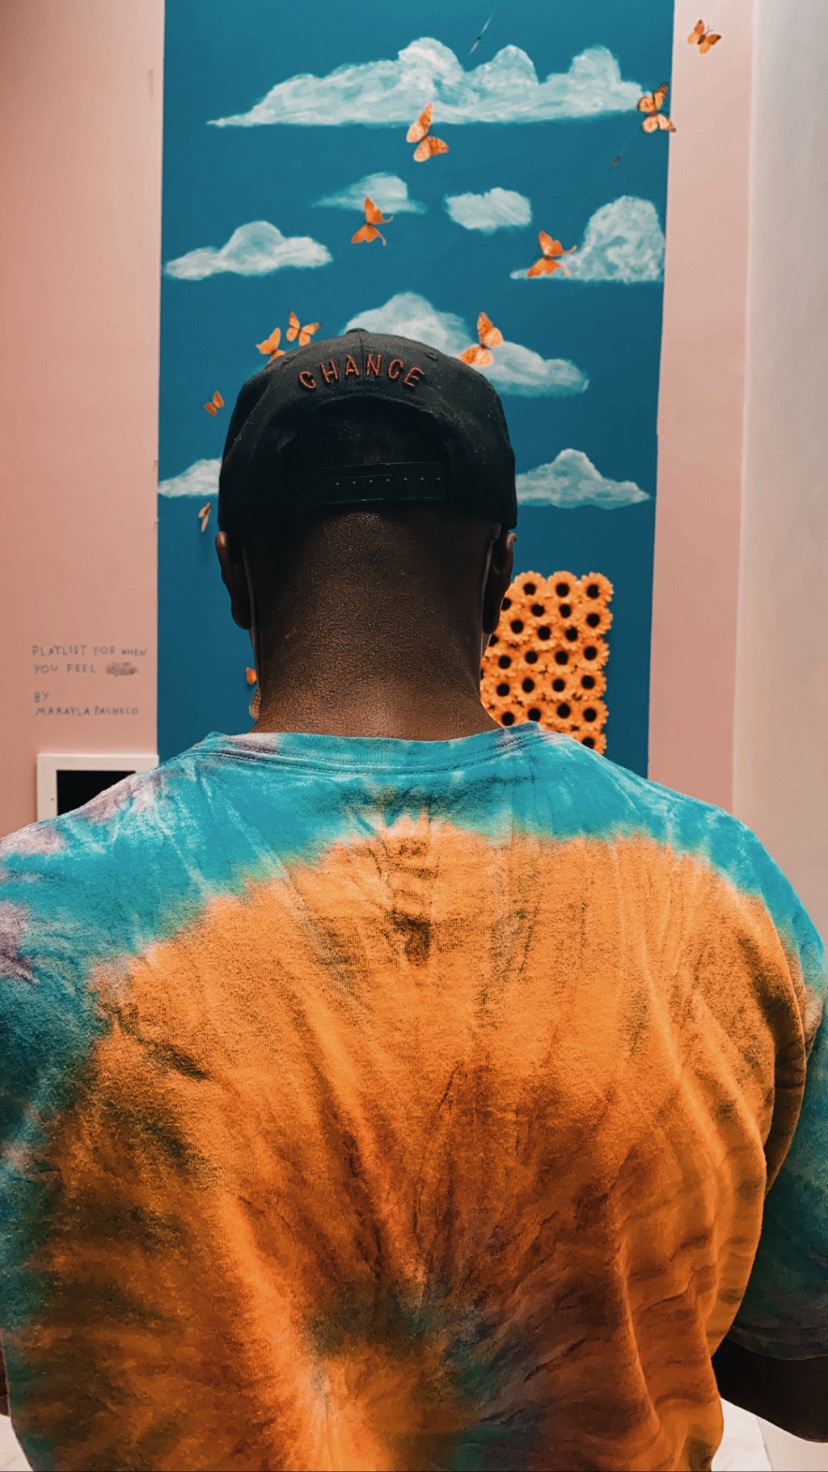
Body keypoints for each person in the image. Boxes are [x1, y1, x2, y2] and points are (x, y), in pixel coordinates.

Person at [0, 330, 826, 1472]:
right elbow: (807, 1365)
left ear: (233, 571)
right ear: (502, 571)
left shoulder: (31, 921)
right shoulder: (725, 895)